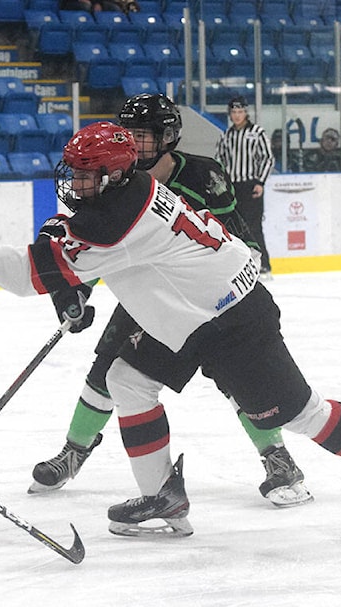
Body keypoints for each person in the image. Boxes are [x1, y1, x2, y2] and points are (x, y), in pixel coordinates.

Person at [0, 121, 341, 538]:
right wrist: (48, 269)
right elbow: (80, 244)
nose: (75, 184)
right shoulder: (125, 196)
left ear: (115, 177)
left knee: (300, 414)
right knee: (126, 380)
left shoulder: (117, 219)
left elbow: (39, 269)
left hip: (232, 321)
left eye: (86, 176)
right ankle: (163, 495)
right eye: (72, 172)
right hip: (194, 314)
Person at [27, 94, 312, 509]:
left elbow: (239, 240)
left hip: (212, 297)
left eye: (142, 136)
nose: (133, 143)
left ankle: (277, 457)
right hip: (151, 296)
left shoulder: (203, 176)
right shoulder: (112, 179)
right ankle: (74, 452)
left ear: (168, 138)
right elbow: (92, 245)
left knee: (236, 376)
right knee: (109, 368)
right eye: (127, 134)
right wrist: (75, 292)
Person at [215, 96, 274, 278]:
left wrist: (260, 182)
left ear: (246, 112)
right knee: (233, 227)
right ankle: (242, 265)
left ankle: (264, 265)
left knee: (253, 226)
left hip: (251, 186)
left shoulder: (257, 133)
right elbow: (219, 160)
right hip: (232, 187)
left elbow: (268, 158)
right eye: (234, 112)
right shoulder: (226, 136)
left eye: (240, 111)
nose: (237, 115)